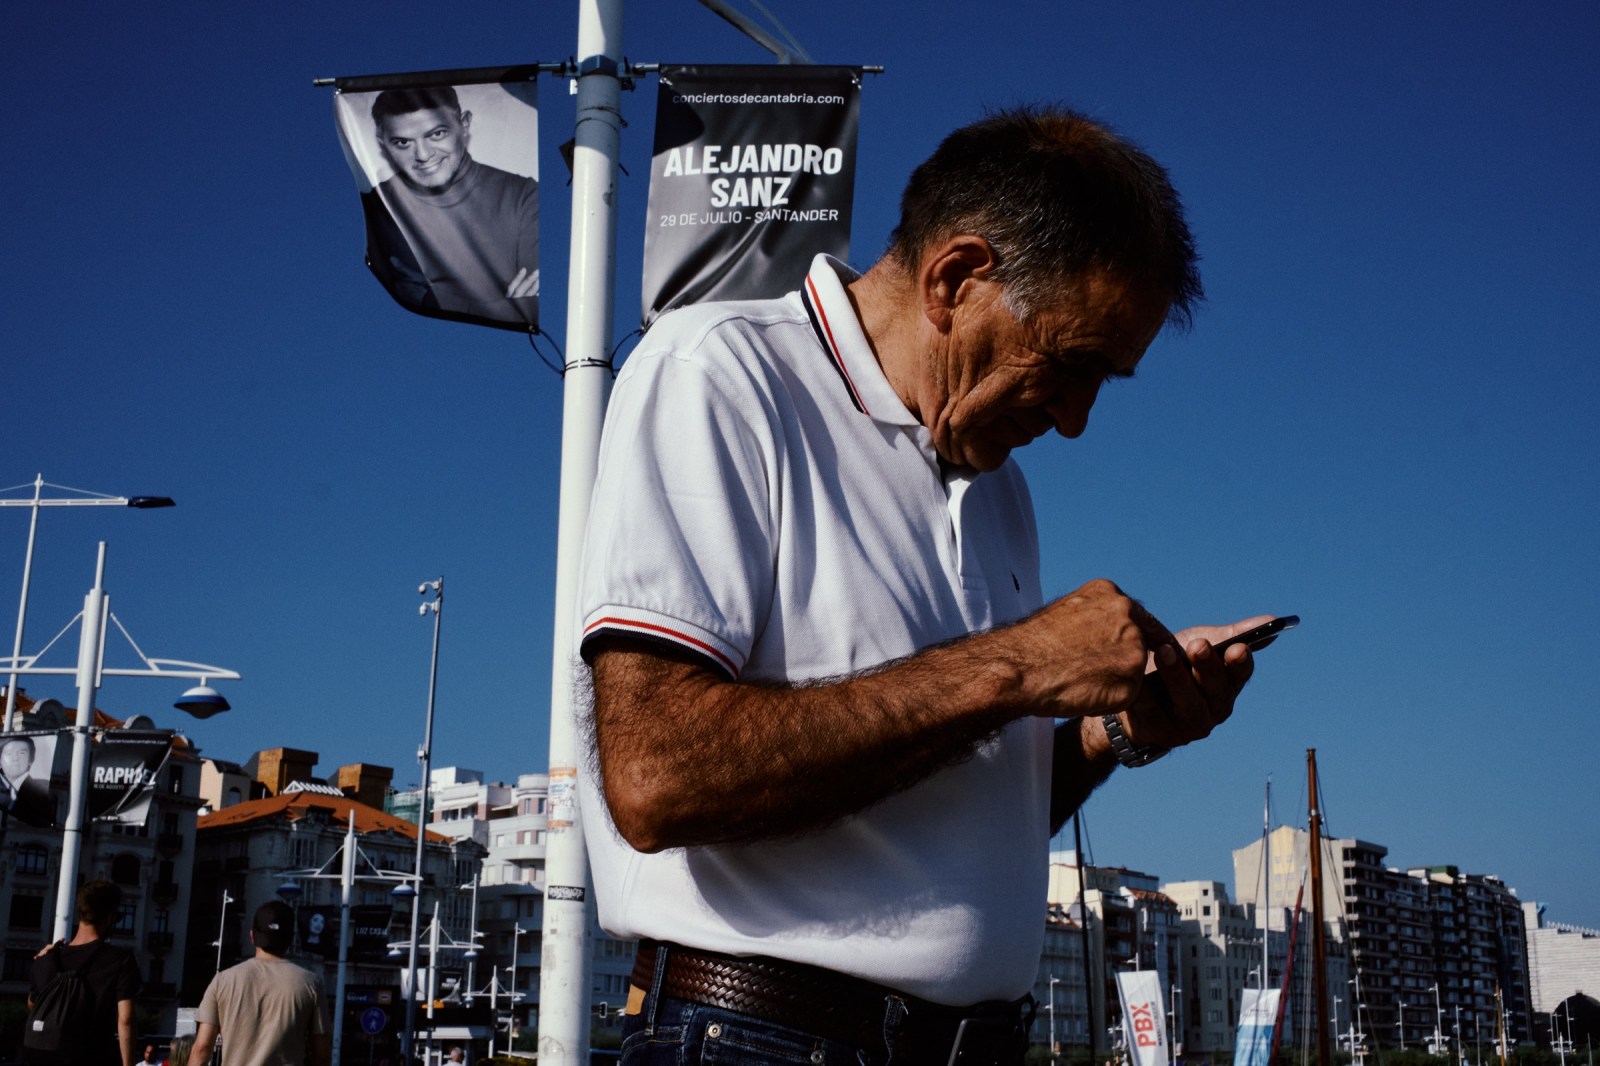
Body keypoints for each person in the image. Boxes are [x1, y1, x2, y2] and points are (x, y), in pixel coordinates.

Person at [577, 105, 1276, 1066]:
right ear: (955, 278)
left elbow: (961, 812)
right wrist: (1019, 664)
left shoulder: (1000, 488)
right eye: (1073, 365)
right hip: (761, 1039)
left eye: (1105, 382)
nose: (1076, 421)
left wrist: (1115, 731)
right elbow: (657, 775)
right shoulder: (722, 373)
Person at [360, 85, 539, 327]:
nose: (423, 155)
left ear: (464, 124)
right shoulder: (379, 207)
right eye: (403, 142)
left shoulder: (523, 195)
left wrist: (442, 298)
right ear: (383, 143)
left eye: (437, 134)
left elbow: (532, 301)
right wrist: (503, 306)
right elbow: (407, 299)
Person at [189, 901, 331, 1066]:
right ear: (290, 939)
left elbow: (202, 1049)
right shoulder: (311, 983)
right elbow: (322, 1055)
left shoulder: (223, 981)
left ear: (252, 936)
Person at [23, 880, 141, 1066]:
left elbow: (33, 1004)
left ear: (80, 913)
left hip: (41, 1055)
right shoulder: (120, 959)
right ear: (110, 917)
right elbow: (125, 1019)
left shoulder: (46, 959)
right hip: (92, 1056)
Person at [0, 734, 54, 826]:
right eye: (9, 753)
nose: (15, 758)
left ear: (31, 759)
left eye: (21, 753)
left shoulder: (43, 788)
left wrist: (9, 804)